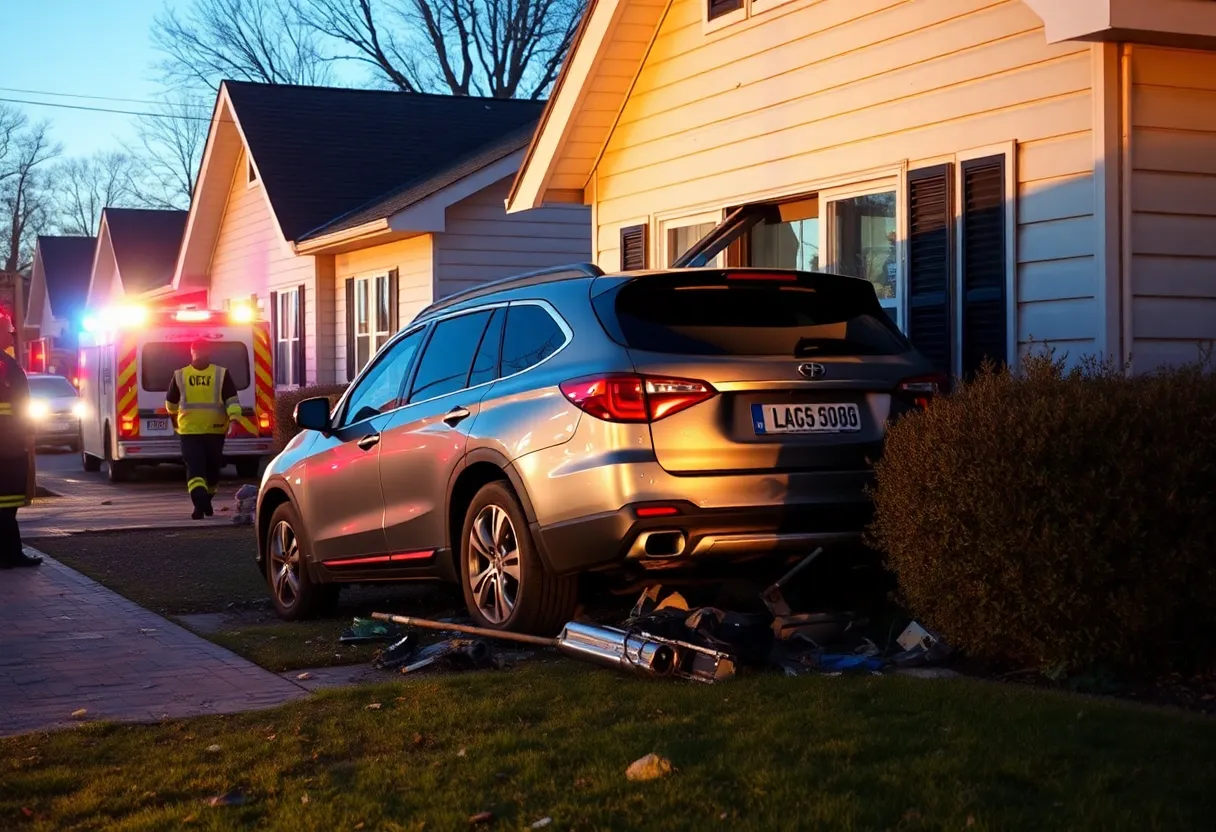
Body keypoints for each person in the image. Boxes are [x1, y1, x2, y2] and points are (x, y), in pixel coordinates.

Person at [165, 339, 241, 520]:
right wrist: (234, 421)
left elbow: (170, 404)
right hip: (213, 431)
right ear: (209, 352)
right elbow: (232, 401)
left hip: (191, 430)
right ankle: (201, 503)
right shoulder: (221, 374)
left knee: (198, 469)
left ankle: (202, 503)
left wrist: (175, 419)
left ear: (193, 352)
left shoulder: (180, 375)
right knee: (209, 470)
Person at [0, 312, 41, 568]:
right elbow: (22, 405)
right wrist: (28, 435)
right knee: (8, 501)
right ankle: (9, 555)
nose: (12, 334)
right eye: (8, 329)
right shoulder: (8, 365)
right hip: (8, 443)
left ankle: (10, 553)